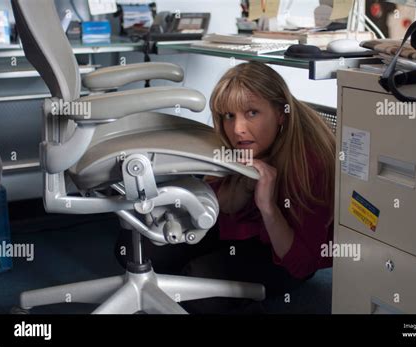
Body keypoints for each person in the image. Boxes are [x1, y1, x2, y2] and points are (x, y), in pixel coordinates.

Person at [115, 61, 336, 313]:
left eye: (252, 112)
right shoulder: (235, 142)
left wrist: (268, 207)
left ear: (280, 113)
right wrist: (242, 187)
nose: (238, 129)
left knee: (198, 290)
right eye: (229, 116)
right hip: (242, 232)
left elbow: (302, 262)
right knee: (137, 249)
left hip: (286, 256)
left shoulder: (311, 162)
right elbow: (218, 206)